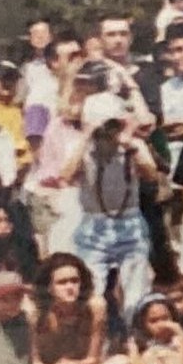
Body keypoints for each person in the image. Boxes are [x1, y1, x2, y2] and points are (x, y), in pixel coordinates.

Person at [68, 94, 158, 332]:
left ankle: (136, 334)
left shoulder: (132, 146)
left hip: (130, 221)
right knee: (90, 288)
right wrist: (86, 134)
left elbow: (151, 174)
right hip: (94, 224)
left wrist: (129, 142)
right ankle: (91, 337)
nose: (108, 130)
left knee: (136, 288)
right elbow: (64, 174)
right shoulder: (83, 149)